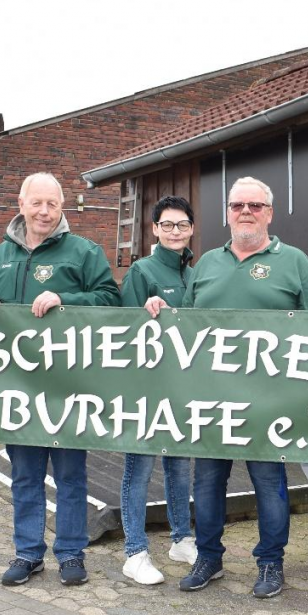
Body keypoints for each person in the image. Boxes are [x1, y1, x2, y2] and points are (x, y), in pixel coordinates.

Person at [144, 176, 308, 598]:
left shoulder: (294, 261)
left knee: (270, 485)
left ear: (270, 212)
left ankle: (270, 563)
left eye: (256, 205)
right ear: (227, 212)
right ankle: (209, 558)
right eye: (238, 205)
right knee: (206, 484)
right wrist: (161, 309)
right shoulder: (206, 264)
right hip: (213, 400)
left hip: (270, 402)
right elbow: (185, 326)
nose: (246, 211)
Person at [0, 172, 121, 587]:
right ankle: (27, 553)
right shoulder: (0, 256)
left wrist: (65, 298)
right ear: (20, 204)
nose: (43, 211)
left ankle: (71, 553)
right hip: (17, 387)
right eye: (36, 203)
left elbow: (110, 300)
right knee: (25, 473)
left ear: (63, 208)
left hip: (68, 386)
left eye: (51, 204)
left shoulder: (83, 252)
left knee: (70, 474)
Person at [117, 196, 198, 585]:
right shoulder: (141, 271)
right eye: (167, 225)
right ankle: (134, 551)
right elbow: (125, 331)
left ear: (191, 229)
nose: (175, 232)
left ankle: (181, 538)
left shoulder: (195, 273)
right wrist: (142, 309)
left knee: (180, 467)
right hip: (145, 391)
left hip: (182, 389)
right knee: (140, 468)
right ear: (154, 229)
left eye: (181, 225)